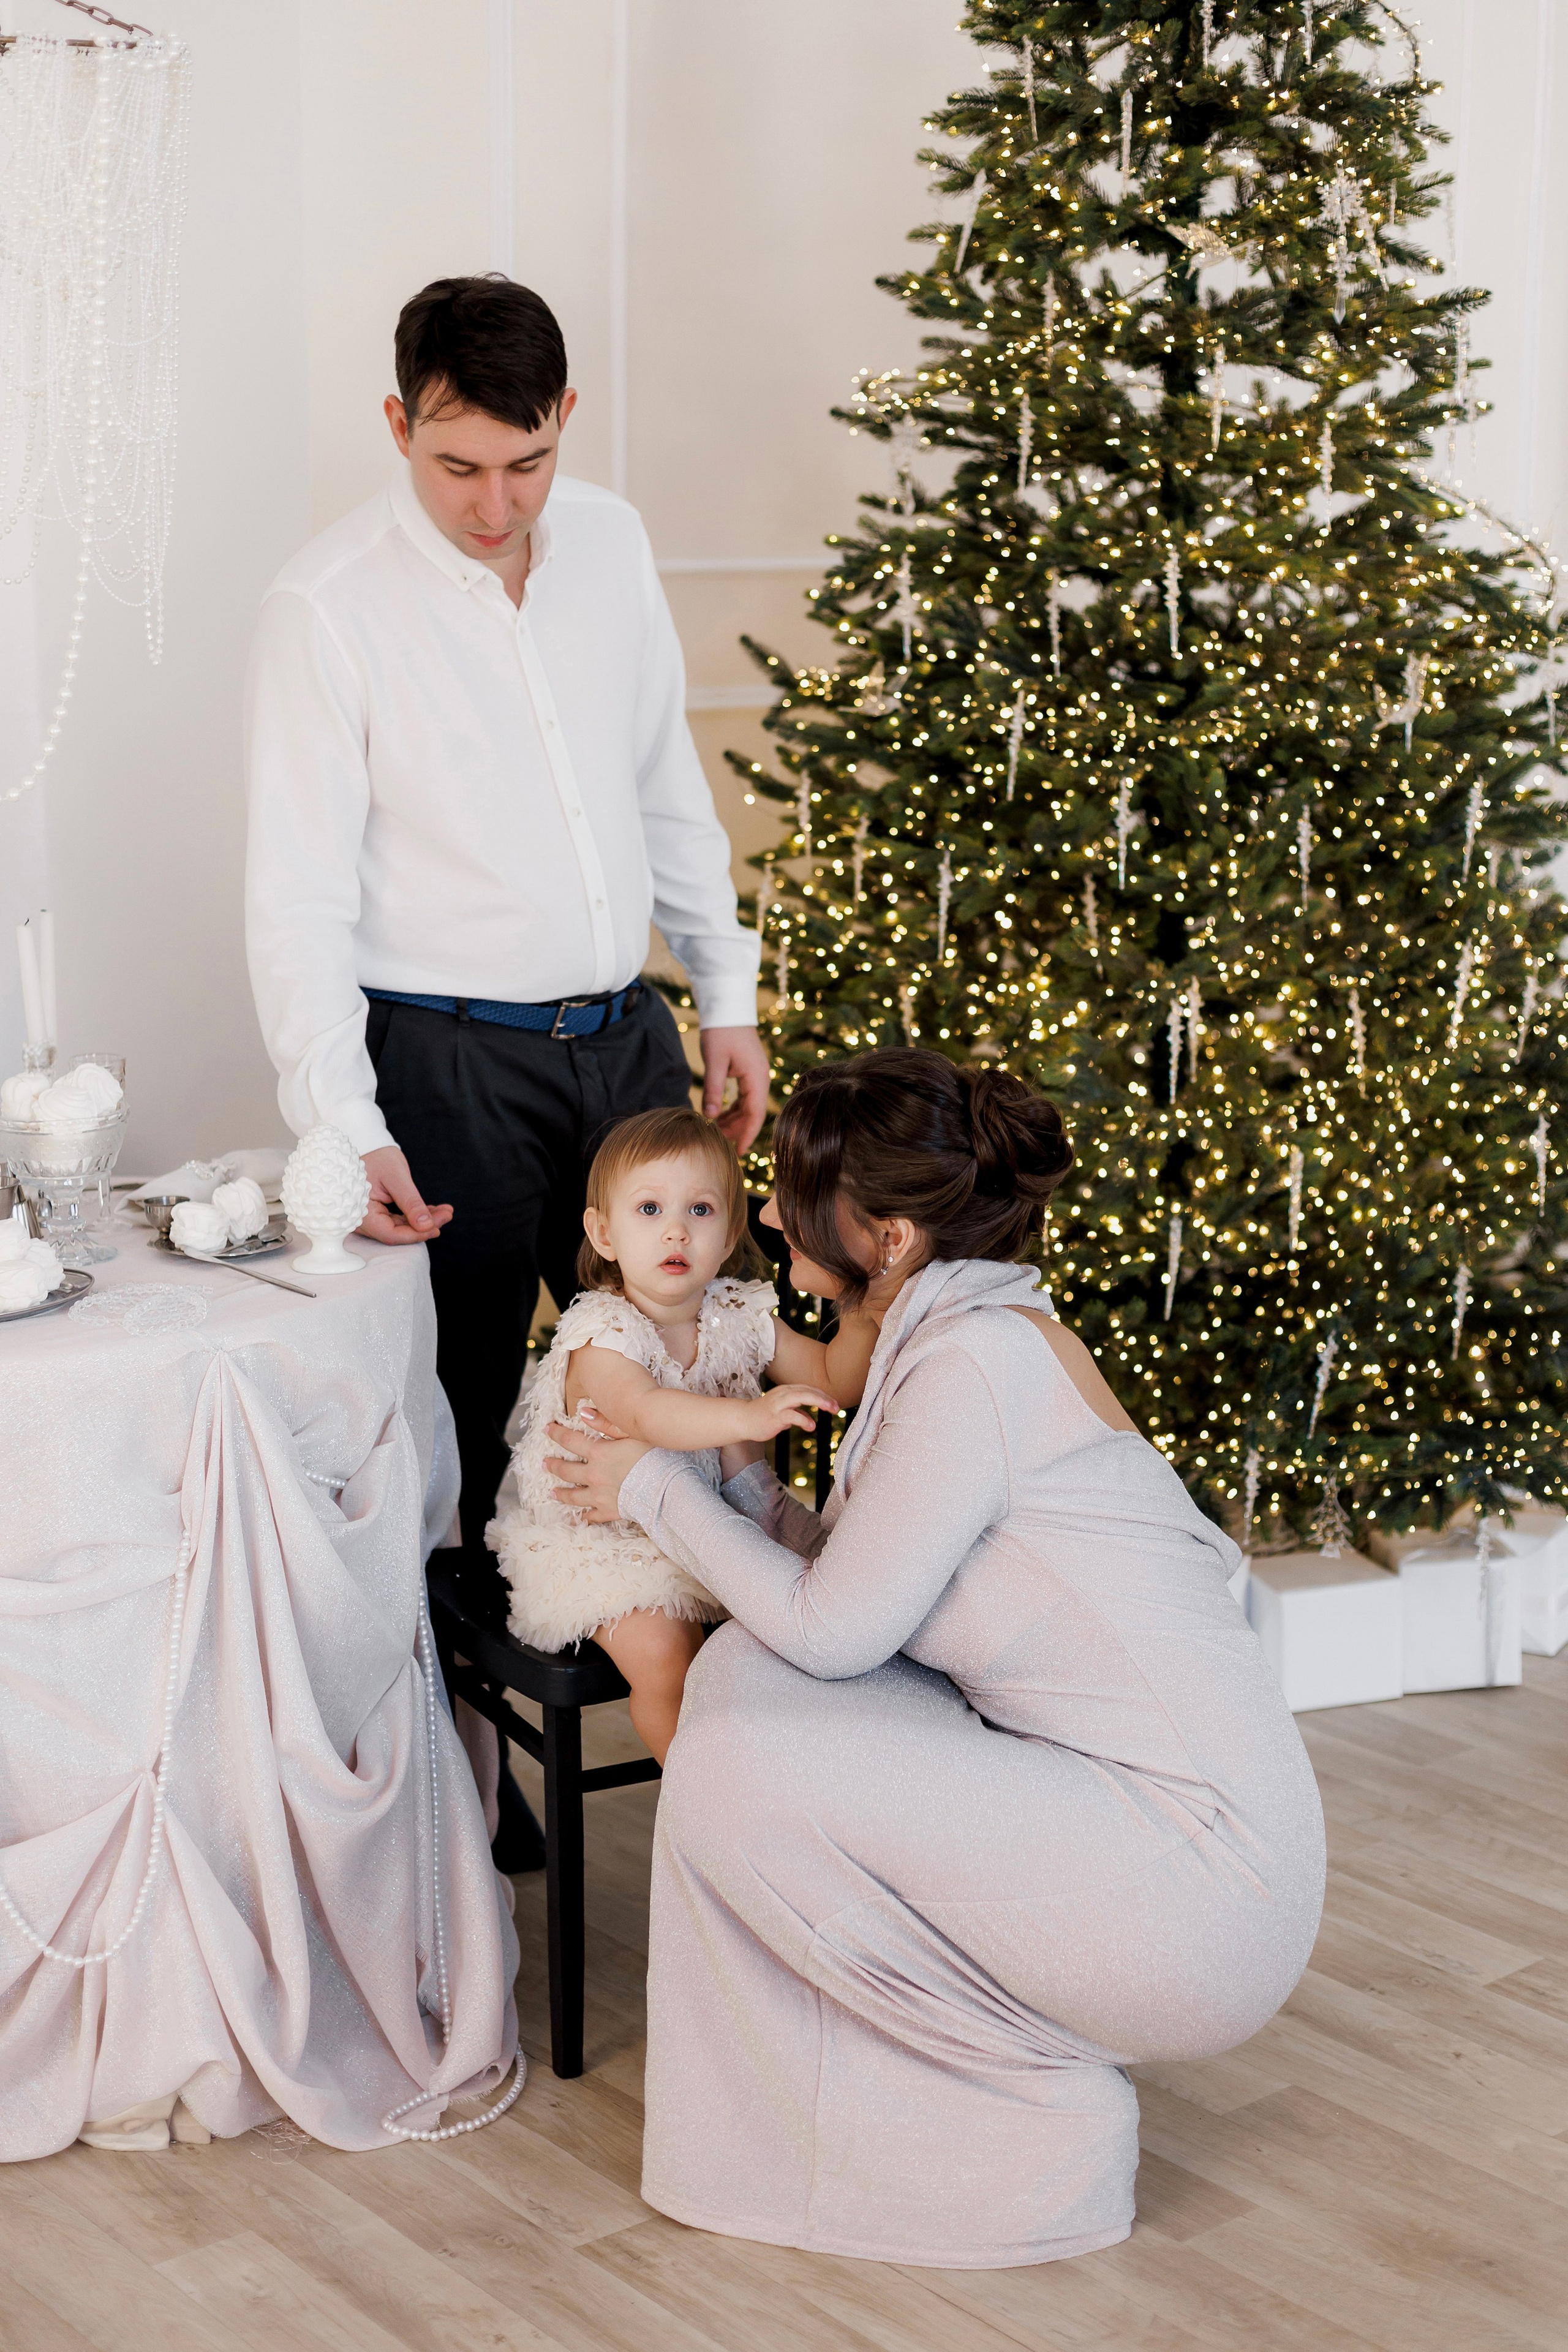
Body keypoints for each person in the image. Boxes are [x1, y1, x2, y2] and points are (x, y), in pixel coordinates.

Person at [545, 1049, 1327, 2268]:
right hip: (1138, 1817)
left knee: (741, 1748)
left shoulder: (973, 1366)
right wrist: (738, 1482)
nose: (759, 1217)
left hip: (1197, 1886)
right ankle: (870, 2104)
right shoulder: (969, 1332)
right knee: (741, 1695)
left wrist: (650, 1485)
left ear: (887, 1237)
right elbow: (857, 1589)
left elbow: (833, 1627)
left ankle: (1012, 2127)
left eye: (791, 1203)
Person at [244, 275, 766, 1855]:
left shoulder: (603, 541)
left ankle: (749, 1755)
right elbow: (295, 891)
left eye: (523, 462)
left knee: (696, 1357)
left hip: (624, 1034)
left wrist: (723, 993)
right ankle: (465, 1792)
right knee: (460, 1419)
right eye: (457, 463)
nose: (495, 502)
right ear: (399, 424)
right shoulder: (325, 603)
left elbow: (664, 771)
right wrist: (342, 1117)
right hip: (440, 1060)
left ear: (565, 428)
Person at [489, 1104, 874, 1761]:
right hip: (606, 1545)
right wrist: (748, 1417)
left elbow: (831, 1376)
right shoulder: (603, 1333)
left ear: (728, 1236)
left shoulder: (737, 1311)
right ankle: (709, 1807)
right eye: (648, 1211)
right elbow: (645, 1412)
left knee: (797, 1637)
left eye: (699, 1211)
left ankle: (798, 1782)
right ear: (603, 1233)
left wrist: (875, 1298)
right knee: (669, 1659)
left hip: (710, 1528)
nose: (675, 1231)